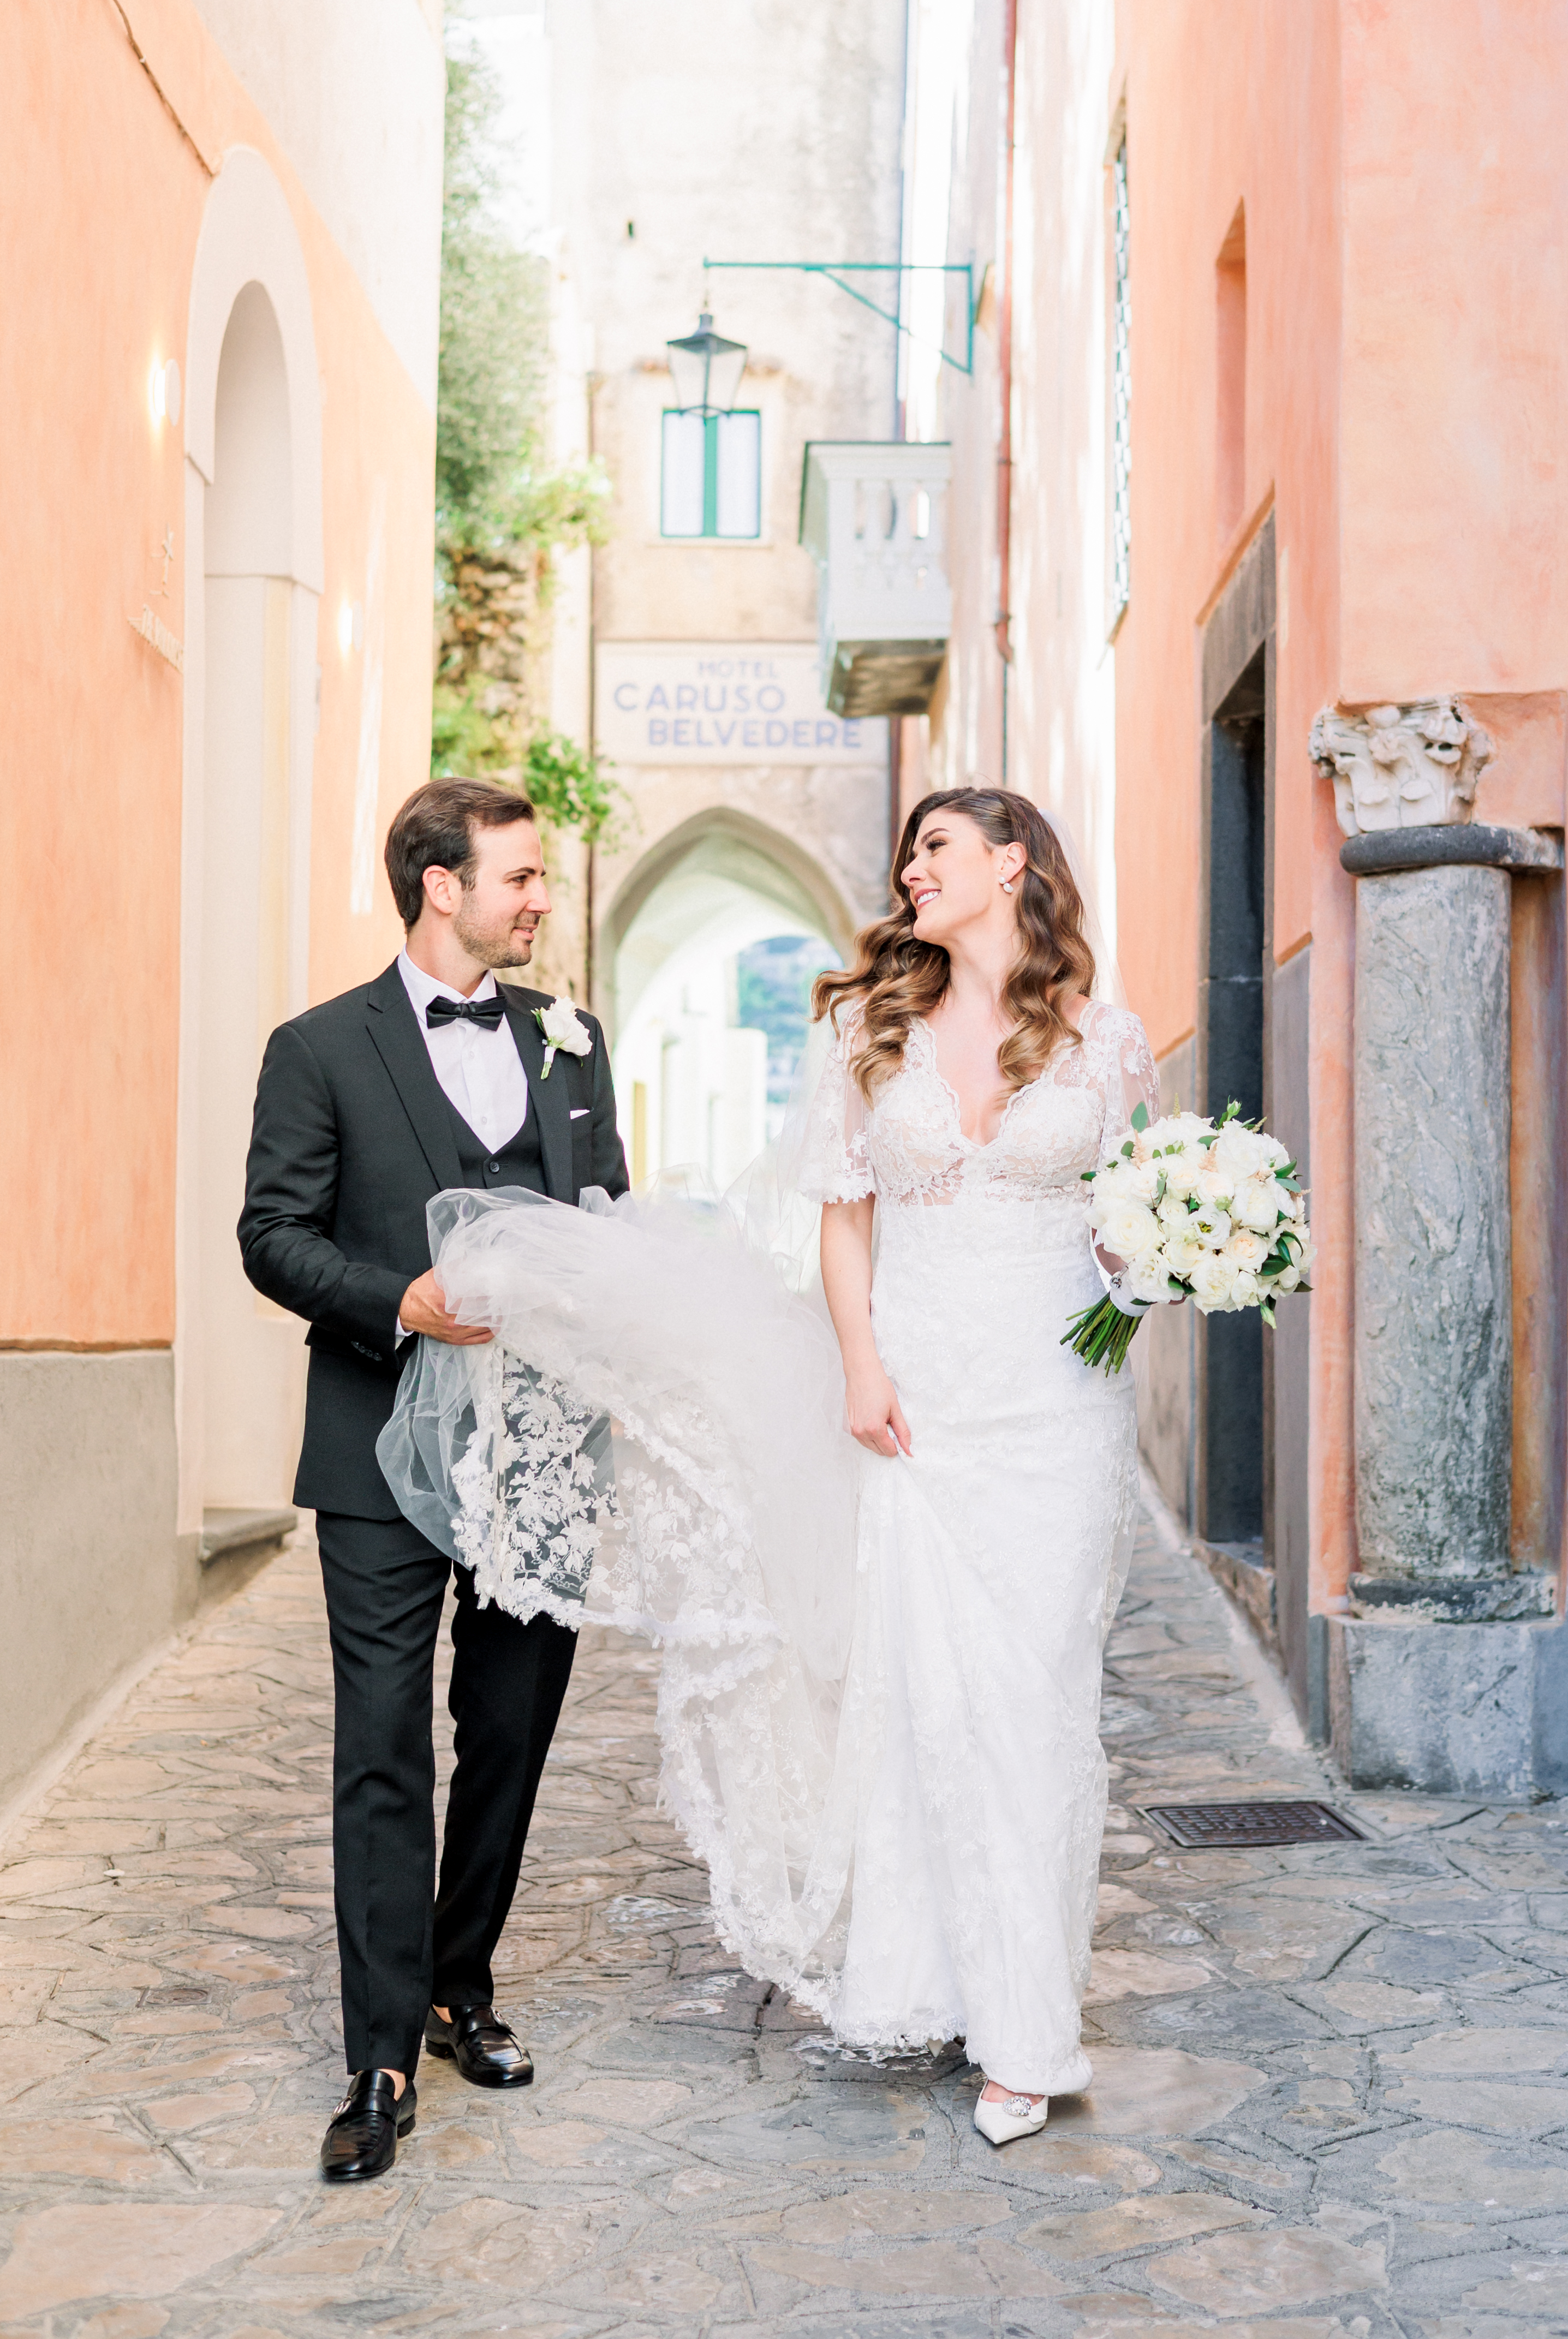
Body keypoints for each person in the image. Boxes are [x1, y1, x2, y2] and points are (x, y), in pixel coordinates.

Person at [382, 786, 1156, 2146]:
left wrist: (1169, 1259)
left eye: (940, 847)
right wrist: (859, 1365)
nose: (914, 868)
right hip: (914, 1398)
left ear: (1013, 863)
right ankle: (939, 1983)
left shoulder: (1106, 1037)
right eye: (909, 848)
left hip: (1054, 1403)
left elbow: (1128, 1207)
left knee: (1035, 1698)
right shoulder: (870, 1027)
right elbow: (843, 1226)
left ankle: (1029, 2018)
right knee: (924, 1688)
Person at [239, 778, 628, 2182]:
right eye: (519, 877)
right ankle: (381, 2051)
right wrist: (396, 1301)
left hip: (537, 1446)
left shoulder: (570, 1043)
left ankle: (463, 1987)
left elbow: (607, 1215)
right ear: (438, 885)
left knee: (513, 1731)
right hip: (374, 1444)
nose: (539, 899)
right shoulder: (317, 1046)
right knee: (383, 1746)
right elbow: (270, 1234)